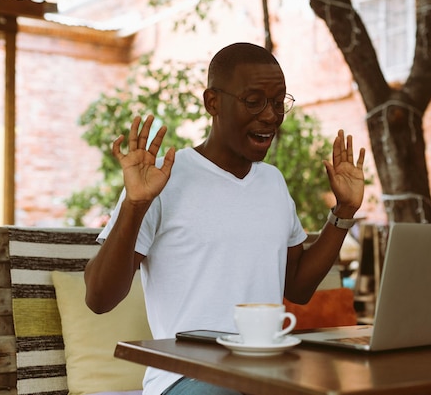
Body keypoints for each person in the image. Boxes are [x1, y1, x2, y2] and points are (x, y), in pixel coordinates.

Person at [84, 42, 366, 395]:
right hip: (184, 378)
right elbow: (99, 298)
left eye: (278, 102)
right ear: (212, 102)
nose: (270, 115)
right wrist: (135, 205)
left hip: (265, 374)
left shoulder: (273, 183)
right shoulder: (162, 179)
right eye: (254, 101)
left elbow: (297, 287)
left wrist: (343, 212)